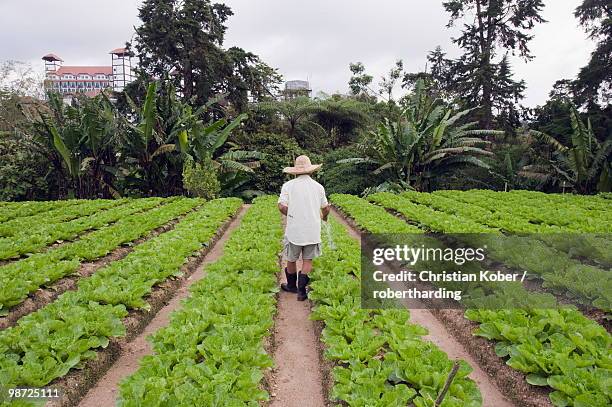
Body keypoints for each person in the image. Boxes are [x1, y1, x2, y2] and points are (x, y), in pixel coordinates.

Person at [278, 155, 331, 301]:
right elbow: (326, 208)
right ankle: (302, 292)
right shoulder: (318, 187)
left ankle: (291, 286)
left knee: (291, 258)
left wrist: (292, 214)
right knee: (308, 260)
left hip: (294, 230)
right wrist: (324, 217)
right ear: (311, 171)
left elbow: (282, 206)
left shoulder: (288, 186)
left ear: (295, 171)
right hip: (312, 230)